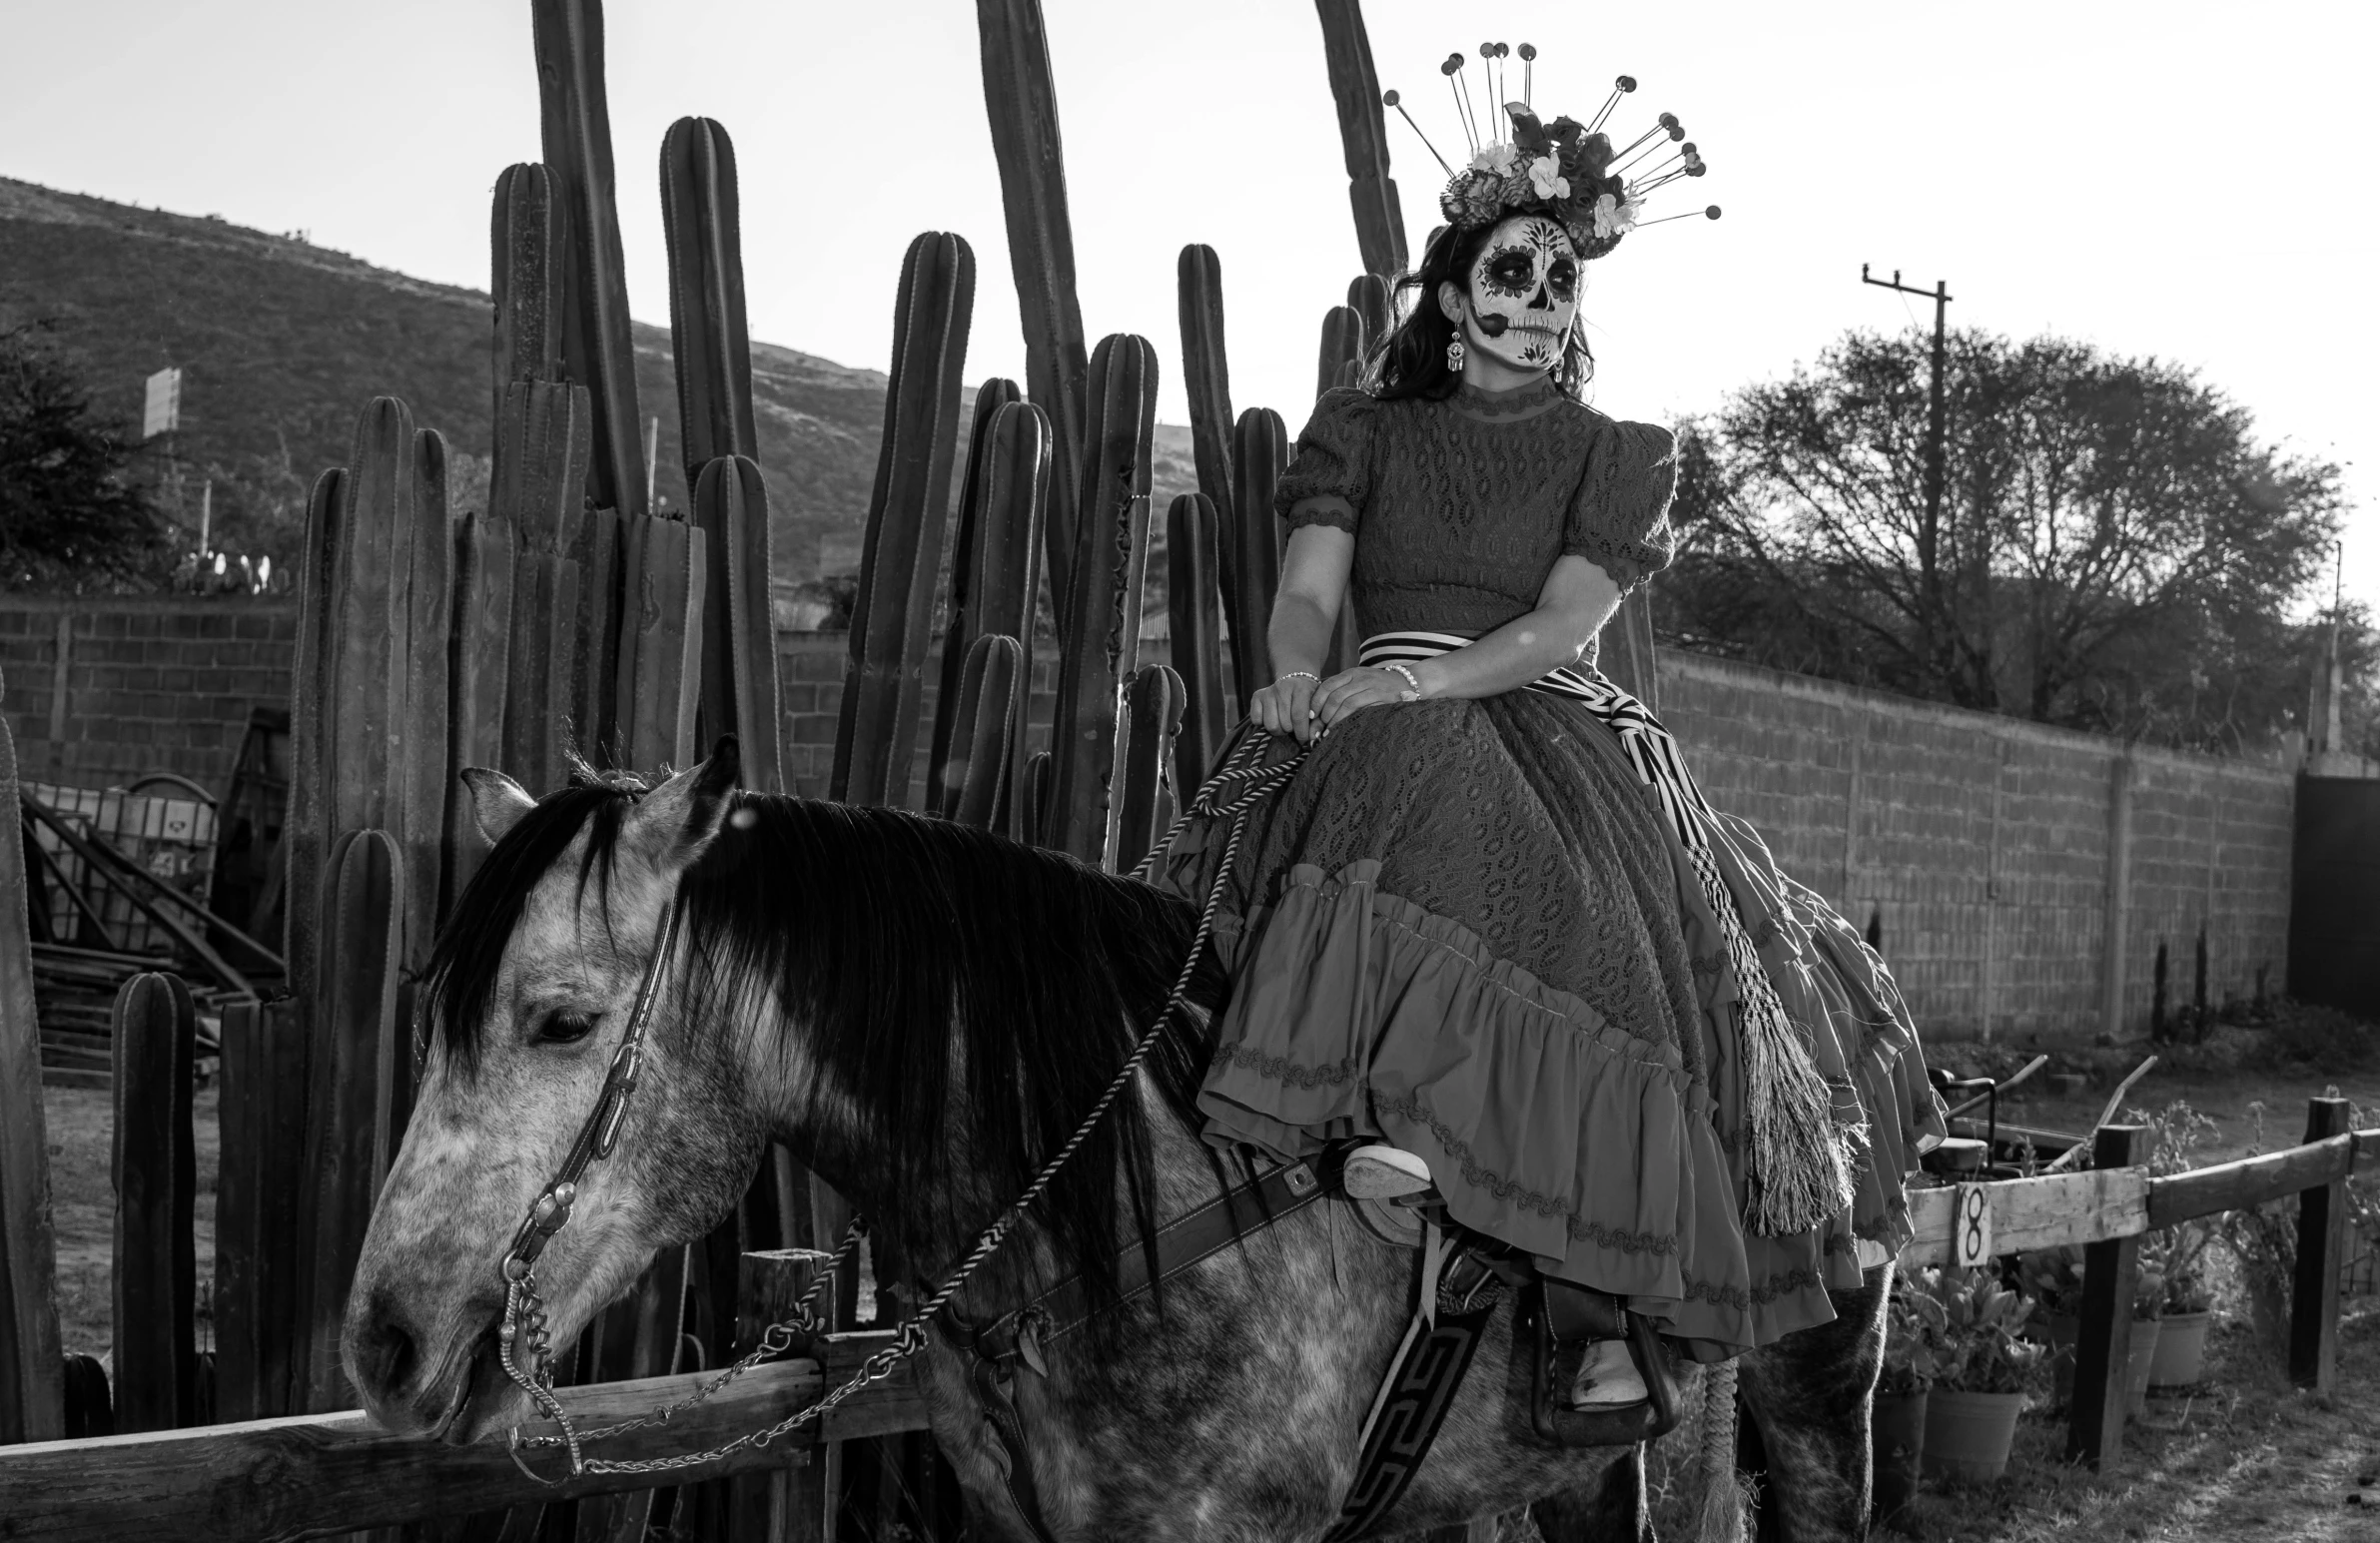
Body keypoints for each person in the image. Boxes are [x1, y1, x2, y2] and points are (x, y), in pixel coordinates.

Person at [1153, 93, 1946, 1409]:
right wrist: (1295, 677)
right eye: (1507, 272)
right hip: (1367, 698)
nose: (1534, 298)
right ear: (1452, 296)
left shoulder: (1609, 454)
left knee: (1607, 939)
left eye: (1557, 278)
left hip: (1521, 703)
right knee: (1224, 874)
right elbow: (1307, 588)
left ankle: (1595, 1305)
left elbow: (1568, 622)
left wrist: (1425, 681)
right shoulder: (1366, 431)